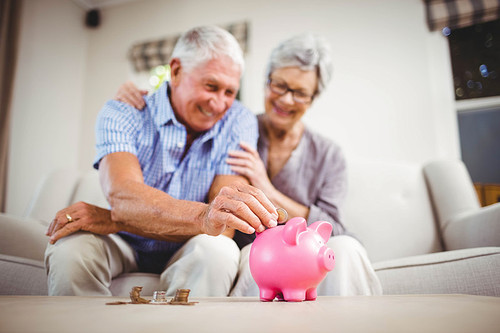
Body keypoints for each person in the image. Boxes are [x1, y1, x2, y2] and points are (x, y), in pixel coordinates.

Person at [117, 33, 383, 296]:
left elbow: (334, 229)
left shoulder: (328, 155)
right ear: (266, 82)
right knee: (245, 259)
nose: (286, 99)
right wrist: (146, 99)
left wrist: (267, 188)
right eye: (279, 85)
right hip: (255, 252)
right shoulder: (233, 128)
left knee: (347, 248)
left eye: (300, 93)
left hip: (309, 256)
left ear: (313, 97)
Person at [44, 25, 279, 297]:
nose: (218, 103)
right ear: (176, 71)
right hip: (124, 243)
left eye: (229, 92)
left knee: (219, 249)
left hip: (189, 247)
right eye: (211, 86)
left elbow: (224, 223)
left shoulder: (238, 120)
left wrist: (117, 218)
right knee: (71, 249)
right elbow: (125, 197)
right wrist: (202, 216)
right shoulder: (123, 111)